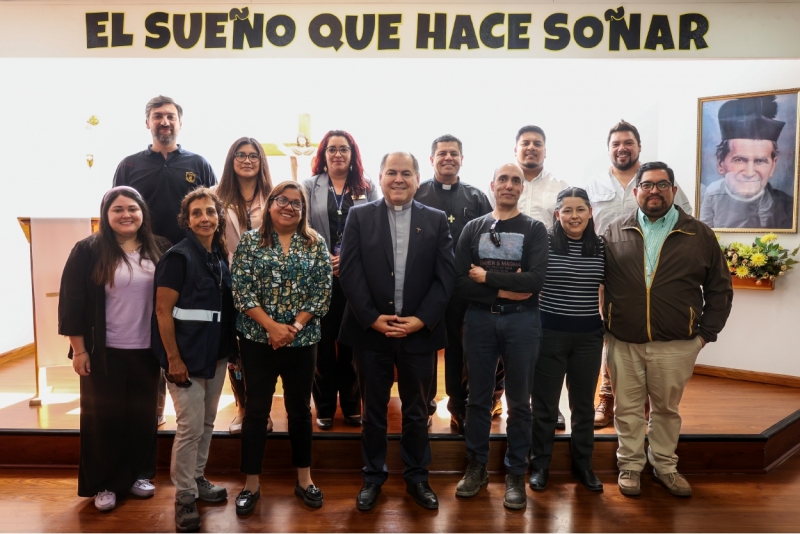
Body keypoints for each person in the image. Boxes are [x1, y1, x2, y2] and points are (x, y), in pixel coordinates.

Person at [604, 161, 732, 498]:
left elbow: (720, 288)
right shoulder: (614, 231)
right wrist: (605, 325)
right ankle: (630, 466)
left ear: (674, 191)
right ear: (636, 192)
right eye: (647, 185)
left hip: (676, 344)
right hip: (623, 342)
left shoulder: (698, 233)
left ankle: (664, 466)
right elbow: (595, 282)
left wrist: (705, 335)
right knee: (627, 410)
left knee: (665, 411)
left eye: (662, 185)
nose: (654, 191)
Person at [338, 152, 455, 511]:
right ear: (381, 176)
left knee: (417, 410)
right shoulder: (359, 216)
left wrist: (422, 319)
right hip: (371, 332)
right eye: (392, 172)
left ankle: (418, 476)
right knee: (372, 410)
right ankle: (373, 476)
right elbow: (350, 271)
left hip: (418, 333)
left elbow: (445, 276)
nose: (399, 179)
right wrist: (372, 317)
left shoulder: (436, 221)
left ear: (418, 179)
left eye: (406, 173)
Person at [58, 186, 166, 512]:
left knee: (143, 416)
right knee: (103, 419)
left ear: (142, 212)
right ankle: (105, 483)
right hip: (103, 351)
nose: (126, 215)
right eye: (117, 209)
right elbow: (71, 305)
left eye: (132, 208)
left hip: (147, 350)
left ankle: (139, 475)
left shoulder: (159, 247)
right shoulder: (88, 250)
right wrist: (79, 351)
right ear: (106, 215)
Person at [113, 95, 217, 428]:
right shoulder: (130, 165)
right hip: (144, 260)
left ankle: (196, 403)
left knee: (186, 326)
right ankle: (154, 407)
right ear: (148, 123)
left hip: (192, 261)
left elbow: (213, 209)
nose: (165, 122)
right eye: (158, 116)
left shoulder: (198, 164)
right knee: (150, 327)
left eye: (170, 116)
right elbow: (119, 211)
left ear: (180, 123)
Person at [231, 181, 332, 515]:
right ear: (270, 204)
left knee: (300, 410)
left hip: (302, 341)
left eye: (297, 204)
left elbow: (321, 291)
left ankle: (304, 479)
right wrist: (272, 328)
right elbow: (241, 291)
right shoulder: (249, 241)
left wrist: (294, 327)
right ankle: (251, 484)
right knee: (256, 410)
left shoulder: (315, 242)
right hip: (257, 340)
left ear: (303, 211)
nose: (289, 207)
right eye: (282, 201)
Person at [586, 120, 693, 428]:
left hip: (653, 271)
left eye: (628, 143)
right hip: (608, 273)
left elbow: (685, 219)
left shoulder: (657, 179)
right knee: (611, 336)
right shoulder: (594, 186)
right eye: (616, 144)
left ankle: (647, 401)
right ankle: (606, 396)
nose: (622, 148)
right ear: (608, 149)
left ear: (639, 146)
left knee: (647, 337)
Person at [453, 163, 548, 510]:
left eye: (516, 180)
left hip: (523, 322)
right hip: (478, 322)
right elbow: (460, 281)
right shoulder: (473, 228)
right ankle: (476, 467)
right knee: (477, 400)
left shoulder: (535, 229)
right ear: (492, 185)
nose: (509, 185)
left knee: (520, 404)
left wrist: (486, 277)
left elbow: (535, 281)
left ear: (522, 188)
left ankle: (515, 473)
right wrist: (508, 289)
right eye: (503, 179)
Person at [152, 188, 236, 532]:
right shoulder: (178, 257)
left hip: (214, 355)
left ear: (218, 218)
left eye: (210, 212)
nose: (204, 218)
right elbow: (162, 310)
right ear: (187, 220)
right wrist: (173, 358)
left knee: (207, 420)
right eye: (196, 213)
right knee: (189, 426)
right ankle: (184, 494)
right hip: (183, 357)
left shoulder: (218, 256)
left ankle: (198, 477)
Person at [488, 125, 569, 429]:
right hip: (500, 272)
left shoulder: (559, 186)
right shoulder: (501, 183)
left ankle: (546, 403)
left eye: (537, 144)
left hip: (541, 274)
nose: (531, 148)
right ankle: (495, 399)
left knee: (541, 342)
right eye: (525, 143)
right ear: (516, 149)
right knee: (499, 334)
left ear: (545, 150)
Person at [413, 134, 493, 432]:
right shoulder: (417, 193)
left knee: (461, 346)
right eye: (442, 153)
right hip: (425, 285)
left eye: (454, 154)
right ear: (432, 159)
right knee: (425, 343)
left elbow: (488, 240)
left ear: (462, 159)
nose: (448, 158)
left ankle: (459, 407)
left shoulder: (475, 197)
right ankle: (425, 406)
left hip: (463, 285)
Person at [529, 188, 605, 493]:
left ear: (589, 213)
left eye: (580, 209)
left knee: (583, 406)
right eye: (567, 210)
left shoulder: (601, 246)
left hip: (589, 336)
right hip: (549, 334)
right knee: (545, 406)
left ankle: (583, 465)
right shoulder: (544, 243)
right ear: (557, 214)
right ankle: (540, 465)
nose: (574, 216)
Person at [303, 130, 378, 430]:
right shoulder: (309, 185)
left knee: (351, 345)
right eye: (331, 149)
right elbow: (301, 225)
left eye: (343, 149)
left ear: (352, 154)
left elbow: (375, 227)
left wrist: (346, 259)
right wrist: (326, 259)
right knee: (321, 345)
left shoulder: (367, 186)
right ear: (323, 154)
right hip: (320, 276)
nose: (337, 154)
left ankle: (350, 405)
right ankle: (323, 406)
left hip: (355, 277)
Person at [214, 137, 274, 435]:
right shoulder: (215, 196)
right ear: (231, 159)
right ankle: (242, 408)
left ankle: (262, 410)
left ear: (261, 161)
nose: (247, 160)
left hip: (267, 284)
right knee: (235, 350)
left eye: (253, 155)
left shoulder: (274, 195)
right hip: (226, 281)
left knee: (261, 349)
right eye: (241, 154)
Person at [700, 95, 793, 229]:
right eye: (739, 160)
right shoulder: (712, 192)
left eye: (760, 161)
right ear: (721, 164)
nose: (749, 173)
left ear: (773, 166)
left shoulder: (787, 207)